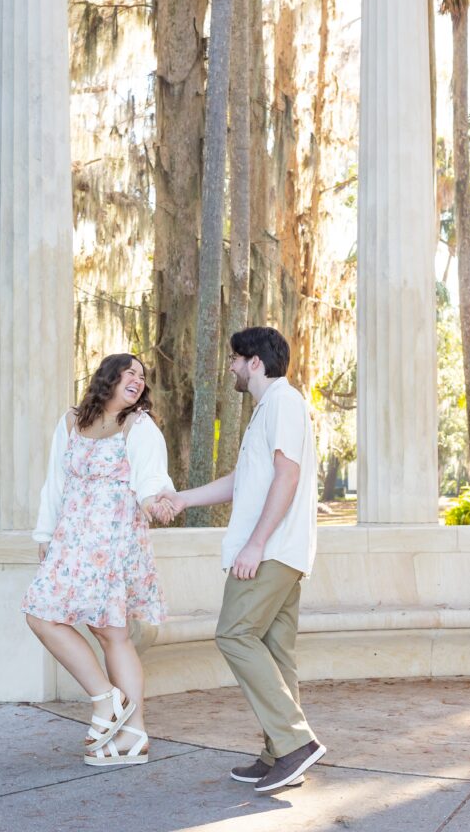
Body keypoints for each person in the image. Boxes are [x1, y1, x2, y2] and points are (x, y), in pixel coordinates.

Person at [157, 327, 324, 793]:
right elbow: (242, 481)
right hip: (278, 550)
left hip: (270, 551)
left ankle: (295, 743)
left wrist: (255, 543)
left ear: (255, 362)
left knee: (232, 634)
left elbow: (287, 477)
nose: (229, 366)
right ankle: (281, 754)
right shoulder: (268, 411)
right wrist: (182, 498)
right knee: (274, 651)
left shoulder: (284, 403)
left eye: (235, 358)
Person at [22, 352, 173, 768]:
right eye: (131, 372)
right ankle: (106, 699)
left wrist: (155, 502)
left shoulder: (138, 426)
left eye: (143, 376)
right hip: (72, 539)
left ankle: (134, 735)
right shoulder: (72, 422)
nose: (138, 380)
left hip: (114, 540)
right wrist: (44, 533)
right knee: (40, 615)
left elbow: (150, 479)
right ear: (108, 376)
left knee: (112, 634)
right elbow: (55, 482)